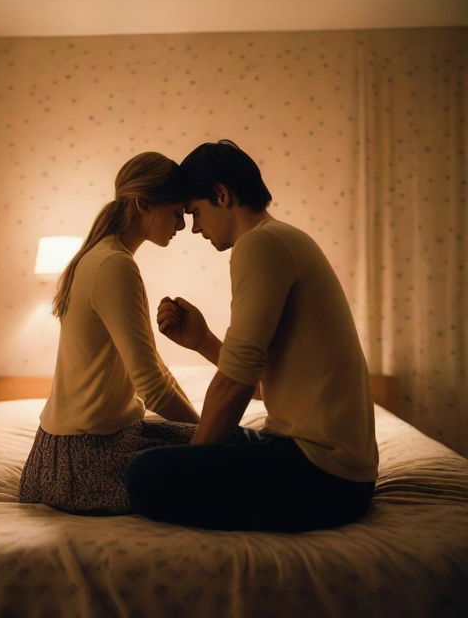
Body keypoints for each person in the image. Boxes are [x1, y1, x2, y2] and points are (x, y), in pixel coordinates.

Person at [125, 140, 379, 532]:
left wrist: (194, 466)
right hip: (320, 461)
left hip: (324, 475)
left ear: (221, 194)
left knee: (146, 473)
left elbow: (236, 383)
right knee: (162, 434)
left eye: (195, 211)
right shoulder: (282, 238)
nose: (194, 227)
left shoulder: (260, 244)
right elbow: (262, 385)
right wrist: (203, 340)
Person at [19, 152, 200, 515]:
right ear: (143, 204)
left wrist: (203, 429)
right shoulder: (114, 265)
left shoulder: (102, 257)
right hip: (83, 462)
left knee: (230, 444)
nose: (181, 225)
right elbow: (152, 386)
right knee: (235, 460)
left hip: (63, 455)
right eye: (177, 212)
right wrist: (210, 436)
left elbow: (154, 368)